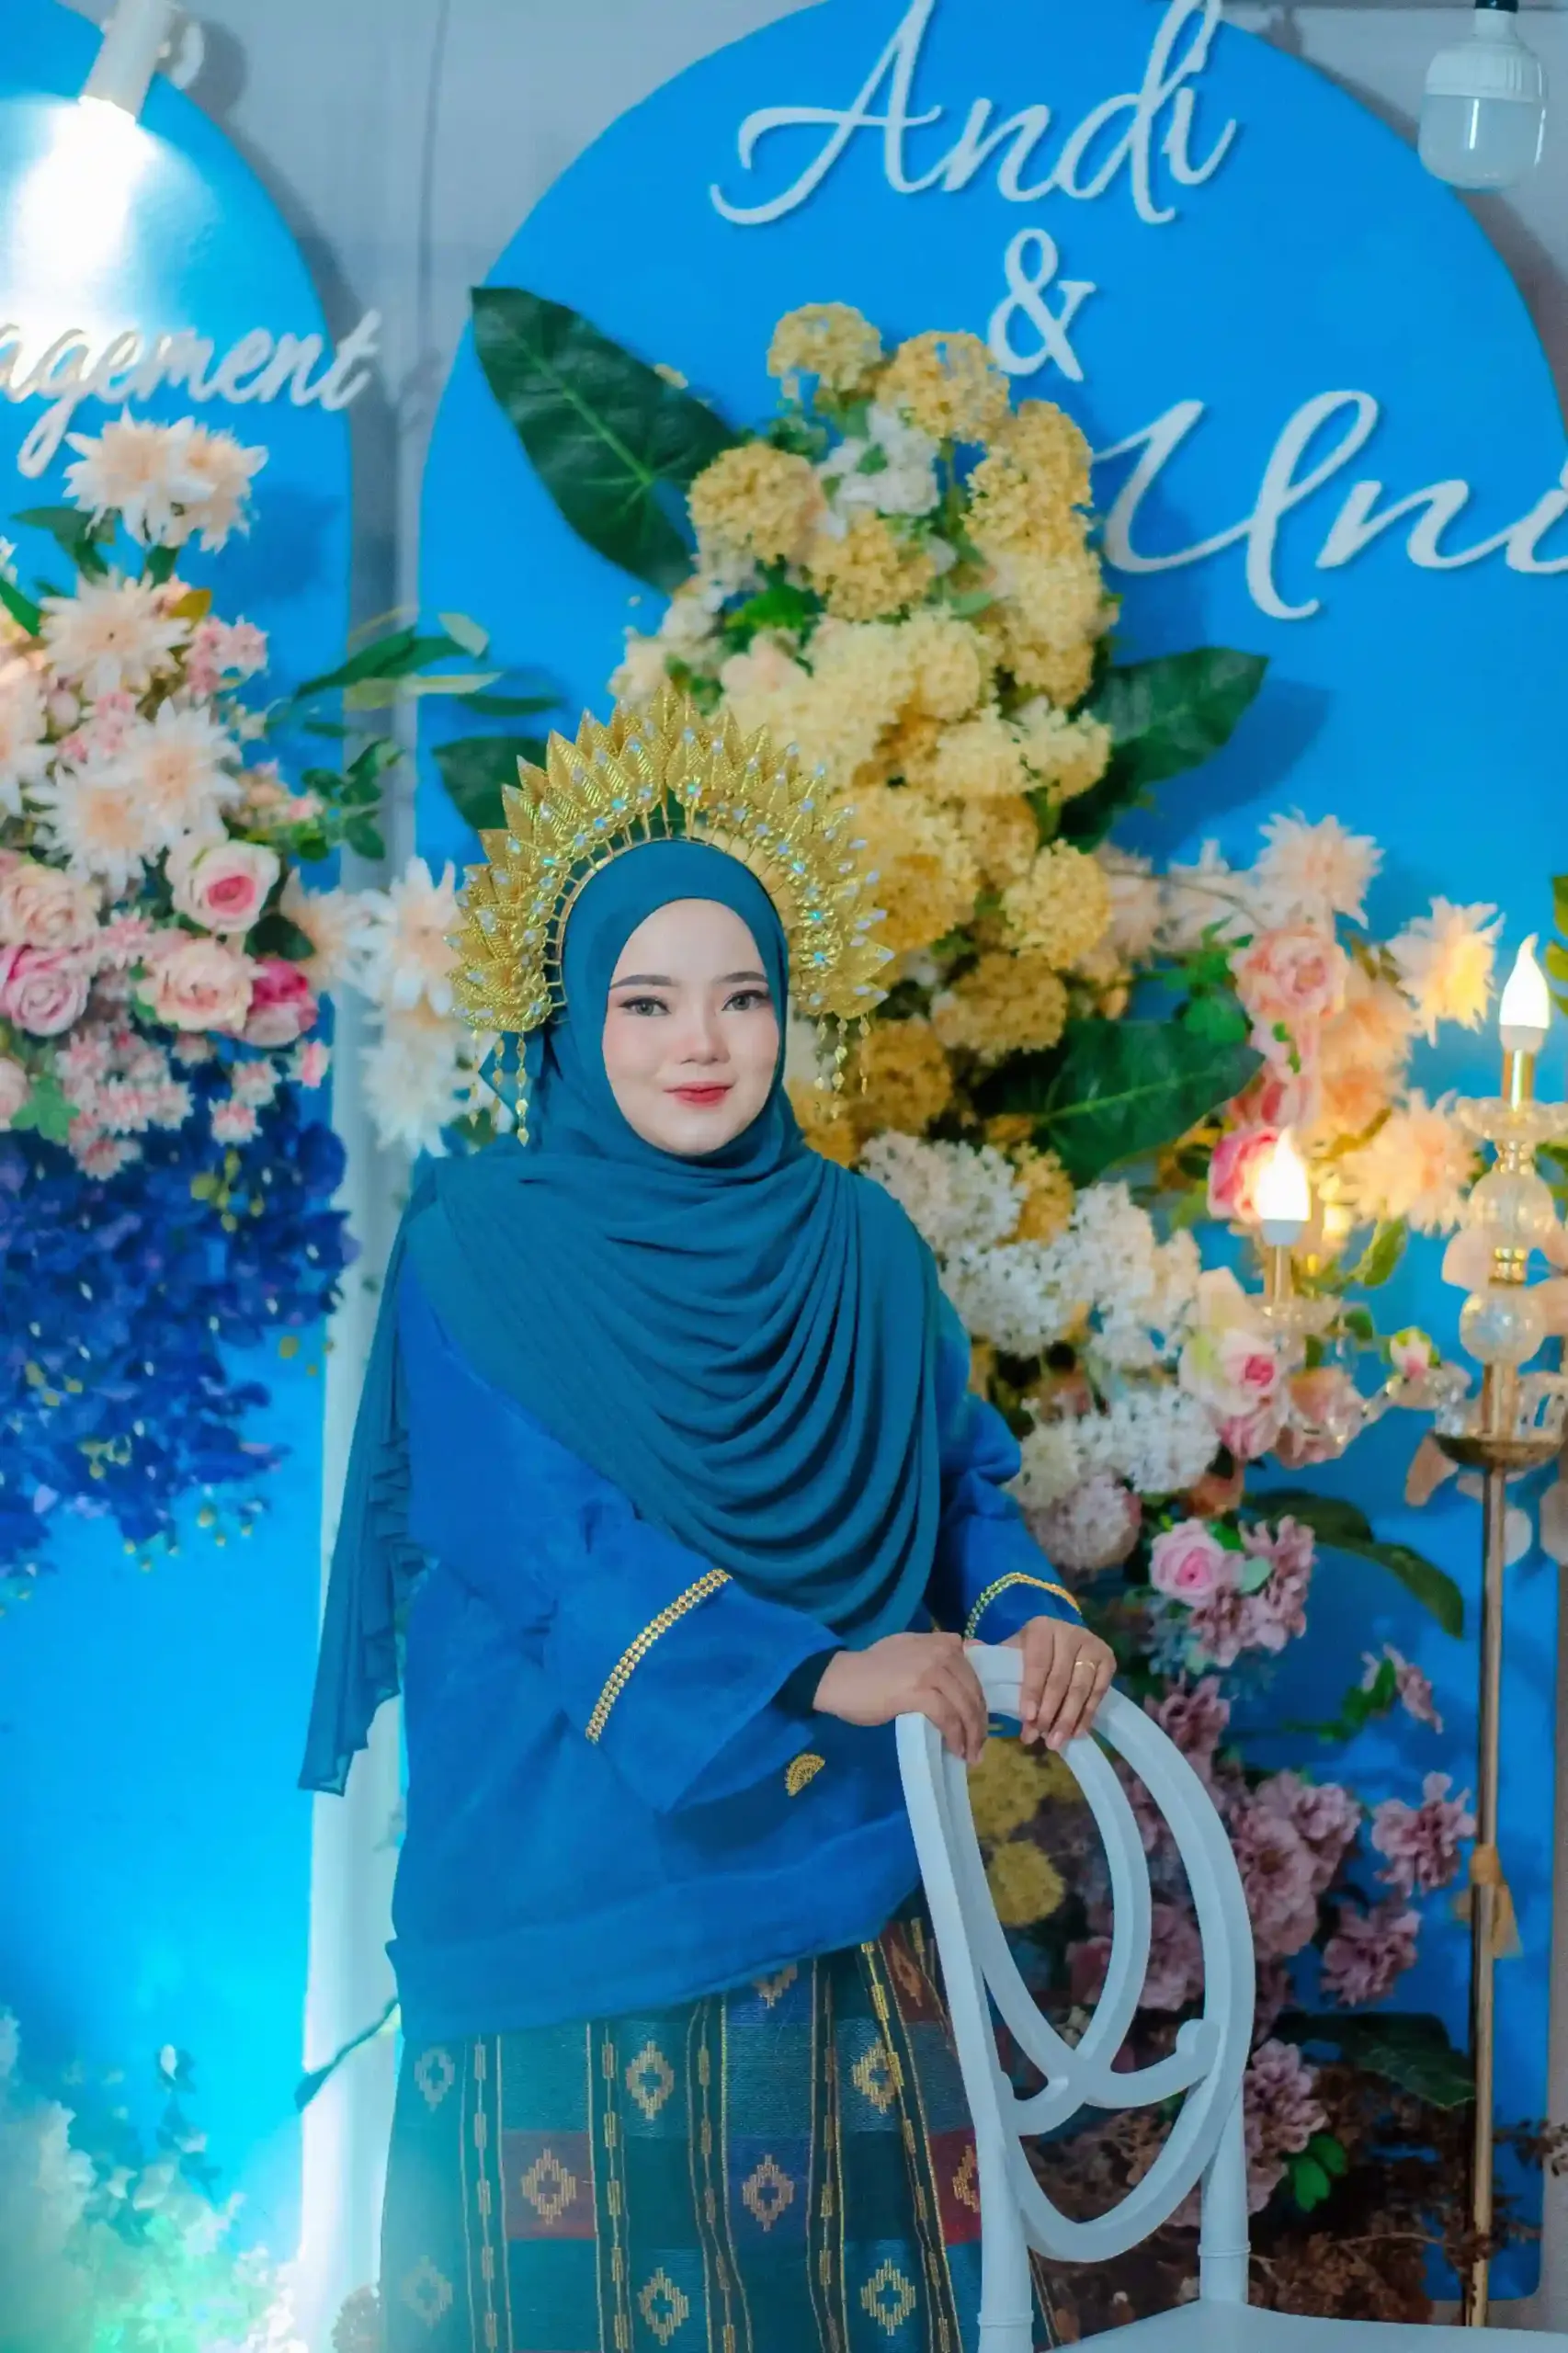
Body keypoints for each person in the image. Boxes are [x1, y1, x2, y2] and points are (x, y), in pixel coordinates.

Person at [301, 693, 1115, 2353]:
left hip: (835, 1884)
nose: (703, 1042)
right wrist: (821, 1672)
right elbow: (544, 1544)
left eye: (743, 997)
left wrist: (1027, 1609)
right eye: (646, 1000)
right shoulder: (479, 1246)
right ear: (568, 1021)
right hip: (565, 1868)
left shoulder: (859, 1245)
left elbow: (958, 1479)